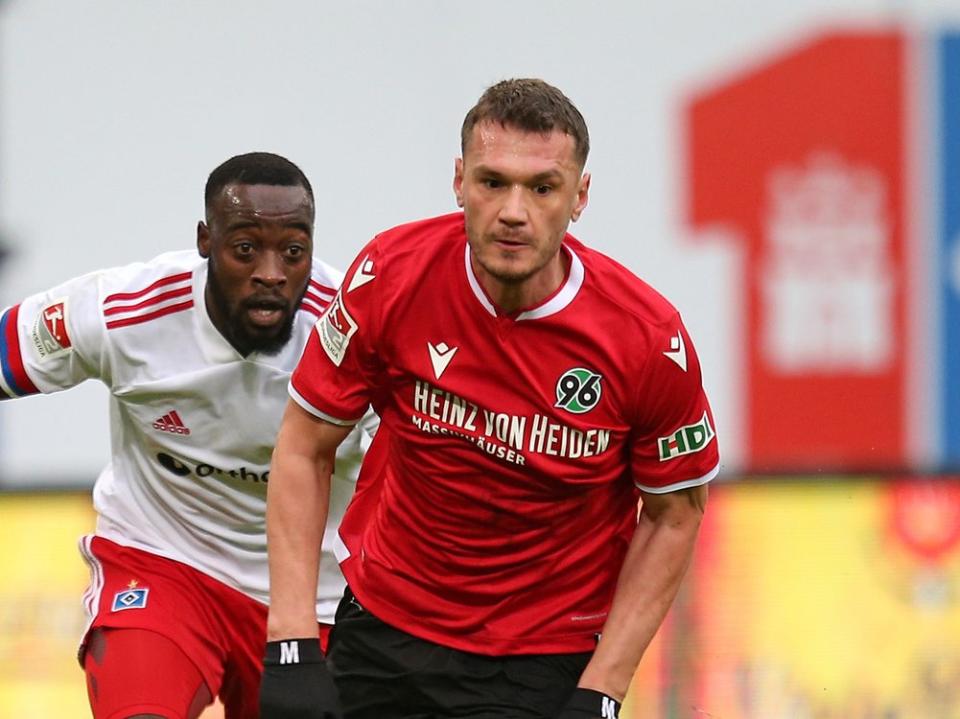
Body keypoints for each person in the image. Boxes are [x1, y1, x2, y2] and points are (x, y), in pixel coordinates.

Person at [261, 80, 719, 719]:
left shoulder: (647, 340)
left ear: (579, 197)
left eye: (541, 187)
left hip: (538, 660)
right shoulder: (391, 275)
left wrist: (604, 692)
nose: (512, 210)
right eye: (492, 181)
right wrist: (291, 641)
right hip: (382, 625)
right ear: (458, 182)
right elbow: (305, 444)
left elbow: (675, 513)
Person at [0, 152, 375, 719]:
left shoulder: (358, 335)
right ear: (206, 241)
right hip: (163, 565)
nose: (271, 272)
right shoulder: (123, 313)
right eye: (246, 248)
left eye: (293, 252)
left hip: (310, 601)